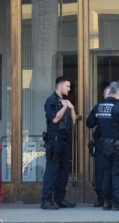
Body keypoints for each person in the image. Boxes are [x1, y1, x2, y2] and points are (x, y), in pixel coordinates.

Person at [89, 81, 119, 211]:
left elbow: (90, 122)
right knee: (118, 173)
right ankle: (118, 203)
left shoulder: (99, 107)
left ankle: (106, 202)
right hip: (117, 145)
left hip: (104, 145)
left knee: (107, 174)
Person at [41, 76, 77, 210]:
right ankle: (46, 200)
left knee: (63, 172)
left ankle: (60, 199)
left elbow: (73, 122)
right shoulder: (51, 101)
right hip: (54, 142)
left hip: (65, 142)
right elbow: (55, 119)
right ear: (60, 86)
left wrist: (71, 108)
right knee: (52, 172)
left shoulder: (65, 102)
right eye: (67, 86)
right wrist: (64, 107)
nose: (69, 88)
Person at [86, 86, 110, 207]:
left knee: (112, 171)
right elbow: (89, 123)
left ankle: (109, 198)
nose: (109, 95)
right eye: (107, 93)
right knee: (100, 171)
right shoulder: (98, 108)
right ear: (104, 95)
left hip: (113, 144)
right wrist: (96, 116)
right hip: (100, 143)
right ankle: (100, 197)